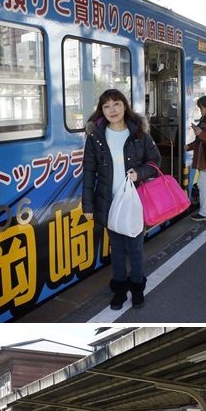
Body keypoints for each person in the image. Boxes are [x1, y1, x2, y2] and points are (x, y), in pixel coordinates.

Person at [82, 89, 160, 310]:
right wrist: (88, 205)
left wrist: (140, 173)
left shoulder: (139, 133)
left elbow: (155, 161)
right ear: (102, 111)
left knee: (135, 248)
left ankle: (137, 287)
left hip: (133, 201)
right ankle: (119, 290)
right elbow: (88, 172)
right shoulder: (96, 136)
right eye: (106, 106)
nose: (112, 110)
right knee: (116, 248)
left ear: (125, 106)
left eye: (116, 104)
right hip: (109, 202)